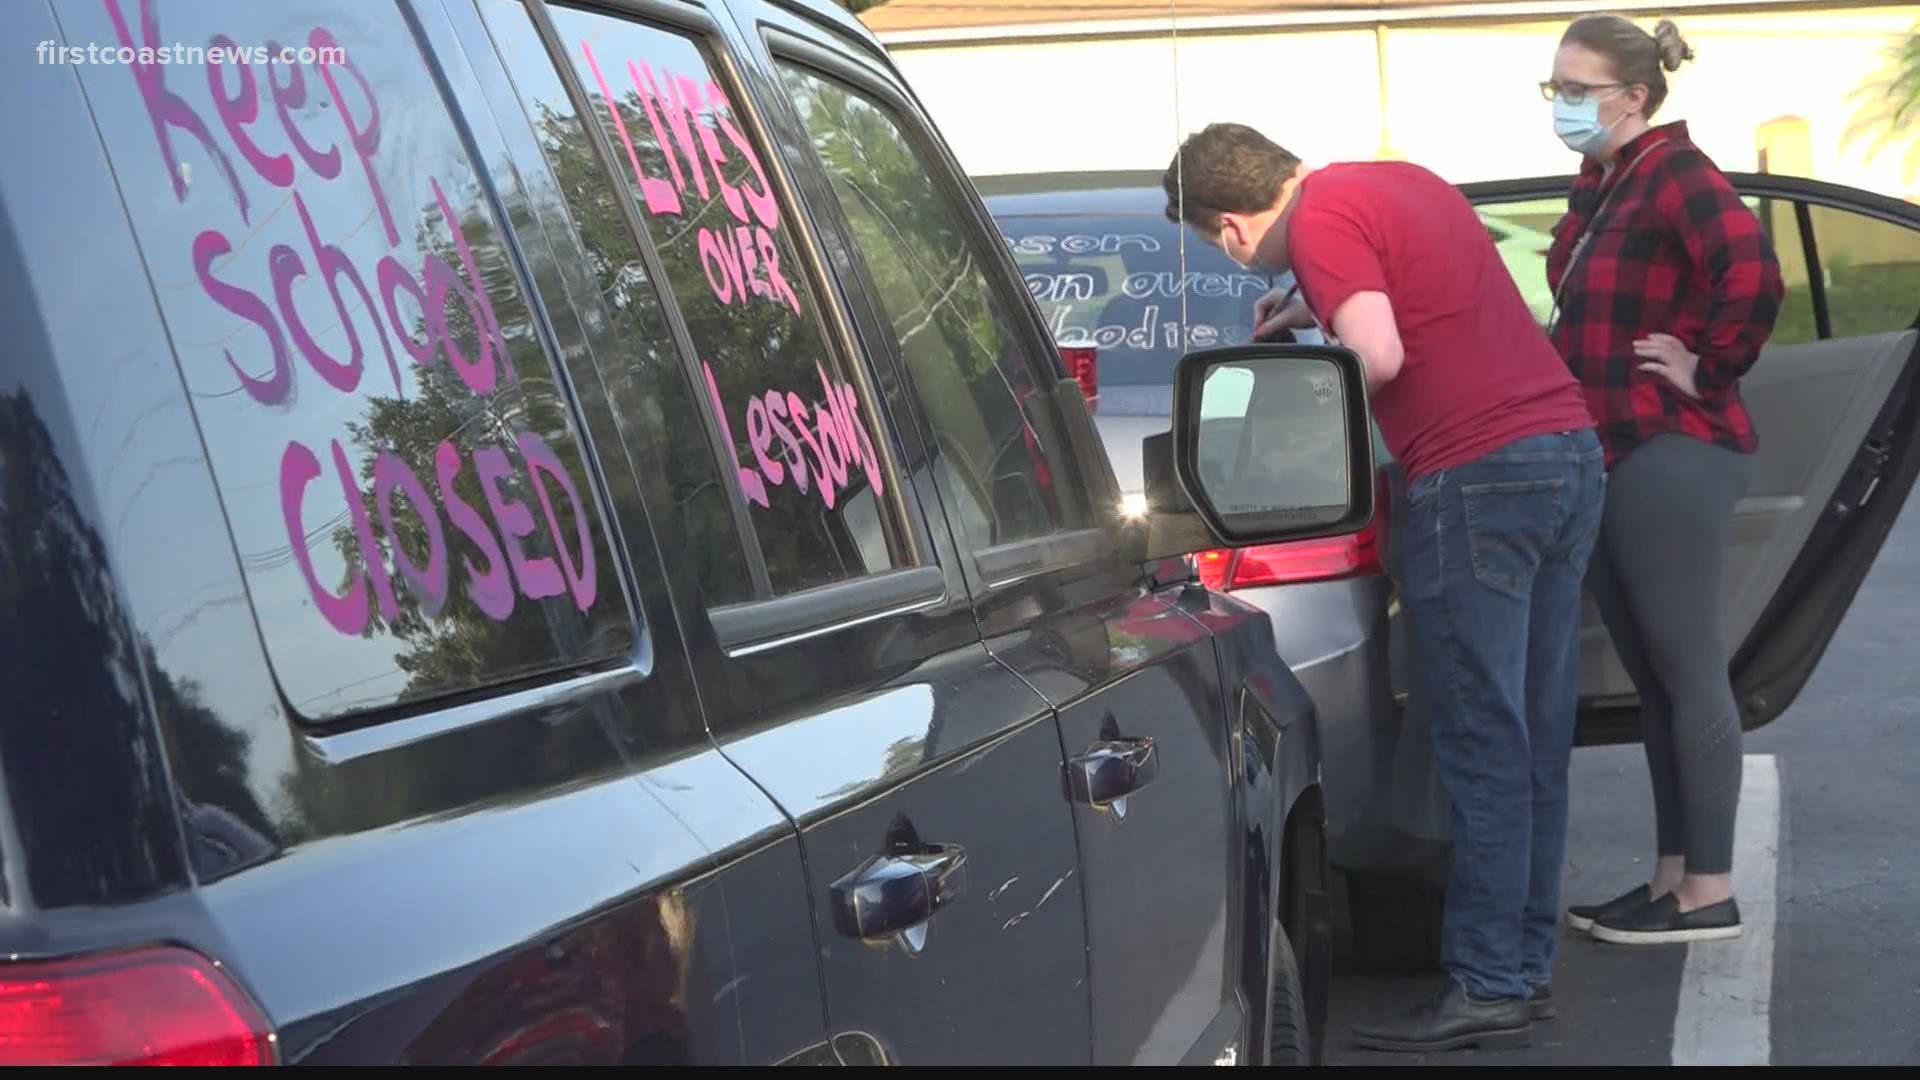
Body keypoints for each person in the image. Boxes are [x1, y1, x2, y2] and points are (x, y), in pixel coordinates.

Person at [1163, 124, 1605, 1052]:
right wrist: (1317, 318)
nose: (1236, 259)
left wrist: (1308, 392)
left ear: (1233, 226)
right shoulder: (1395, 180)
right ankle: (1521, 969)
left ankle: (1487, 982)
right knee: (1531, 733)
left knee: (1480, 737)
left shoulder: (1319, 229)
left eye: (1219, 246)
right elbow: (1434, 305)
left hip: (1474, 476)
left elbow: (1384, 354)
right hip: (1563, 454)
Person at [1541, 15, 1785, 945]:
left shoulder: (1678, 173)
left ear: (1632, 96)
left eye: (1575, 89)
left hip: (1669, 442)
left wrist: (1709, 364)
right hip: (1613, 445)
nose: (1561, 105)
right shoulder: (1607, 182)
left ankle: (1708, 890)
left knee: (1688, 670)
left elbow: (1752, 270)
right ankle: (1673, 878)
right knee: (1655, 678)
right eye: (1553, 89)